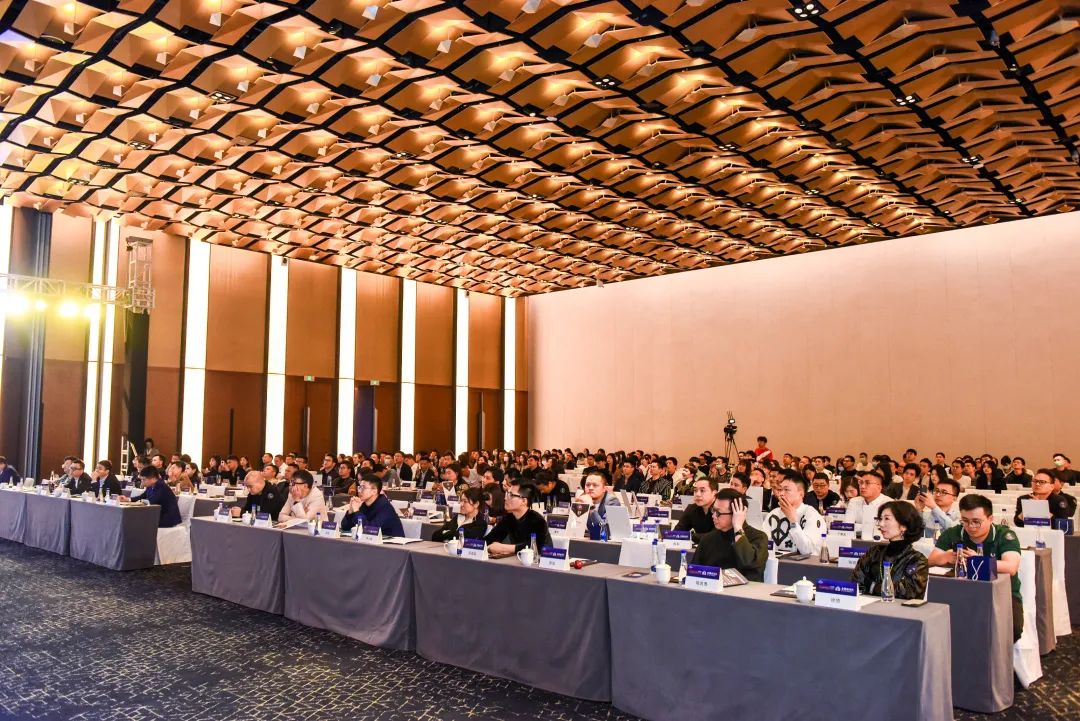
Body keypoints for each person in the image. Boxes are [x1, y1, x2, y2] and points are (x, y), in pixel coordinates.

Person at [928, 494, 1023, 640]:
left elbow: (1011, 567)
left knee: (1011, 630)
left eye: (976, 522)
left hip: (1002, 594)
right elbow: (931, 560)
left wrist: (978, 561)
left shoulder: (1004, 535)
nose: (971, 526)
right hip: (961, 591)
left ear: (990, 519)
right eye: (965, 521)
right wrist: (946, 557)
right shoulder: (953, 533)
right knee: (943, 625)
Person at [851, 502, 929, 600]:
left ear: (903, 526)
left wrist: (871, 586)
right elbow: (856, 582)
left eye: (887, 519)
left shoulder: (917, 560)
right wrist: (879, 588)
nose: (881, 524)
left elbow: (909, 592)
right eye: (880, 519)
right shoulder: (874, 552)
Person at [690, 490, 768, 582]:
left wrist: (738, 527)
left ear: (736, 514)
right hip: (712, 588)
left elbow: (749, 562)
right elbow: (694, 572)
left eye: (718, 512)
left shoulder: (758, 537)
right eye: (713, 510)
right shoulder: (708, 539)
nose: (713, 516)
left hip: (745, 589)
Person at [485, 482, 552, 557]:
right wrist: (477, 545)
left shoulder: (537, 520)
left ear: (524, 501)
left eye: (511, 495)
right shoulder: (509, 518)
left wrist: (504, 548)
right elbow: (491, 538)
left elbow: (537, 546)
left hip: (543, 560)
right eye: (506, 494)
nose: (505, 498)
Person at [763, 475, 824, 556]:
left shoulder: (811, 514)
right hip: (774, 560)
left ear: (801, 494)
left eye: (787, 490)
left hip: (802, 563)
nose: (781, 494)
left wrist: (793, 522)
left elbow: (808, 551)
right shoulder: (773, 514)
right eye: (780, 489)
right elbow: (763, 543)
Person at [339, 474, 404, 536]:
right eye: (359, 487)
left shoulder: (385, 507)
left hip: (392, 542)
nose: (359, 491)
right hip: (372, 541)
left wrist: (356, 511)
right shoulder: (364, 504)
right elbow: (345, 527)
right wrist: (350, 511)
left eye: (363, 488)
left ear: (374, 491)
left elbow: (369, 530)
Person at [576, 471, 621, 540]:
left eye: (595, 485)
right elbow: (574, 527)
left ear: (604, 489)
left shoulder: (613, 502)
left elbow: (604, 532)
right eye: (588, 485)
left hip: (604, 544)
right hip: (586, 539)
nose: (590, 488)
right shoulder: (583, 499)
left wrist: (591, 507)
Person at [843, 470, 888, 536]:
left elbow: (887, 530)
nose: (862, 486)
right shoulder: (854, 501)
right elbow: (847, 526)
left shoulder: (889, 503)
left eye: (868, 483)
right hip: (857, 540)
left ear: (879, 486)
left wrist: (857, 526)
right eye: (861, 483)